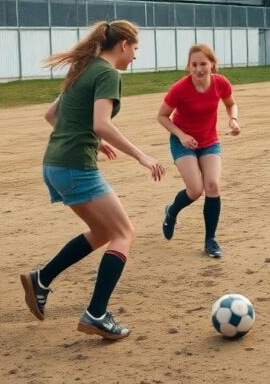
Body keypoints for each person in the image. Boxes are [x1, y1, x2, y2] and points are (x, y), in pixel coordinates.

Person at [19, 20, 165, 341]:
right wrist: (141, 156)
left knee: (102, 232)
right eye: (135, 49)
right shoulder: (107, 74)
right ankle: (96, 314)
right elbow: (101, 123)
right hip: (74, 167)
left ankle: (41, 279)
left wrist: (93, 140)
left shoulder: (82, 68)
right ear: (123, 45)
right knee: (124, 233)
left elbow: (52, 116)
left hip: (55, 164)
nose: (135, 57)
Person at [158, 44, 240, 258]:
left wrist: (233, 119)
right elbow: (162, 116)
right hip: (182, 141)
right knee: (195, 190)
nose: (198, 69)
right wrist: (182, 136)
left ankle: (210, 240)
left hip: (209, 140)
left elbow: (231, 104)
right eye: (194, 64)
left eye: (203, 64)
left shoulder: (220, 83)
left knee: (212, 185)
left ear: (212, 63)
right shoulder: (180, 88)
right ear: (189, 66)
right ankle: (172, 211)